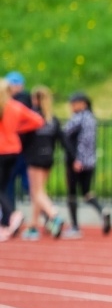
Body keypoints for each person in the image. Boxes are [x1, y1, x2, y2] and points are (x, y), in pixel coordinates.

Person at [61, 91, 111, 239]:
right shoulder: (91, 118)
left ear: (83, 104)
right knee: (87, 192)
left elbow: (66, 135)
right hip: (90, 162)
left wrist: (76, 159)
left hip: (77, 161)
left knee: (72, 193)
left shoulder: (78, 119)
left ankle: (75, 227)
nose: (71, 106)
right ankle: (102, 210)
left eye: (74, 103)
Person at [21, 85, 67, 241]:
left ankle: (54, 215)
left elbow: (24, 137)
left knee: (37, 192)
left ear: (35, 99)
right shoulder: (52, 119)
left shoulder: (33, 117)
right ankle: (33, 226)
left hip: (34, 157)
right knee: (38, 192)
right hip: (48, 157)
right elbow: (61, 138)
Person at [0, 78, 44, 242]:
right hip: (14, 150)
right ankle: (4, 225)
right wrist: (18, 129)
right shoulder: (15, 106)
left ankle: (12, 215)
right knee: (3, 188)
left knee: (1, 188)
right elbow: (38, 120)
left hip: (1, 150)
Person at [3, 71, 33, 207]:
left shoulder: (13, 103)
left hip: (11, 150)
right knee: (27, 184)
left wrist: (16, 129)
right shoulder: (26, 100)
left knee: (8, 184)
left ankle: (10, 213)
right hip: (22, 148)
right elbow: (36, 121)